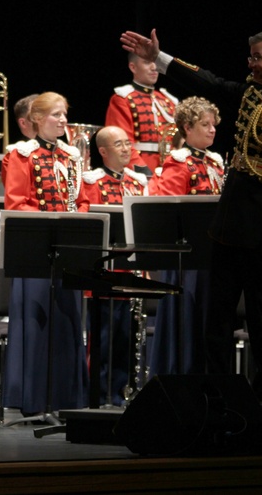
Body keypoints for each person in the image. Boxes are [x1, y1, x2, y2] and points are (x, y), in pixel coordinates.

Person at [121, 27, 262, 412]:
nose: (250, 64)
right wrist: (159, 58)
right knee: (217, 319)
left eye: (257, 57)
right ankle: (219, 391)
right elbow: (206, 81)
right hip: (230, 224)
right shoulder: (248, 94)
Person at [2, 92, 89, 416]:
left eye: (64, 114)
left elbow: (80, 199)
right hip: (36, 249)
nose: (63, 121)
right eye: (56, 115)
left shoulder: (71, 155)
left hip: (66, 246)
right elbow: (16, 201)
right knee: (36, 324)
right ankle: (33, 398)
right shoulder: (21, 154)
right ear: (38, 119)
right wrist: (55, 222)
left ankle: (66, 399)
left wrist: (77, 216)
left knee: (67, 320)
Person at [147, 96, 223, 377]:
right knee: (186, 320)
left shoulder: (214, 162)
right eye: (205, 125)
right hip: (186, 258)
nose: (212, 130)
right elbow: (169, 208)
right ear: (187, 128)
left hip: (210, 253)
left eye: (213, 124)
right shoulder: (178, 162)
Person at [80, 125, 148, 405]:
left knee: (125, 339)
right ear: (103, 152)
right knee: (103, 339)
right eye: (118, 144)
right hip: (105, 275)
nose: (125, 148)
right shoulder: (92, 182)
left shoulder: (136, 182)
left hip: (130, 272)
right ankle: (96, 392)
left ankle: (119, 392)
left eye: (127, 142)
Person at [105, 51, 179, 173]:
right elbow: (119, 142)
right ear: (133, 67)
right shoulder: (122, 99)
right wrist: (141, 170)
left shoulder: (169, 101)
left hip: (169, 169)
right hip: (138, 169)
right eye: (147, 62)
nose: (154, 67)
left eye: (155, 62)